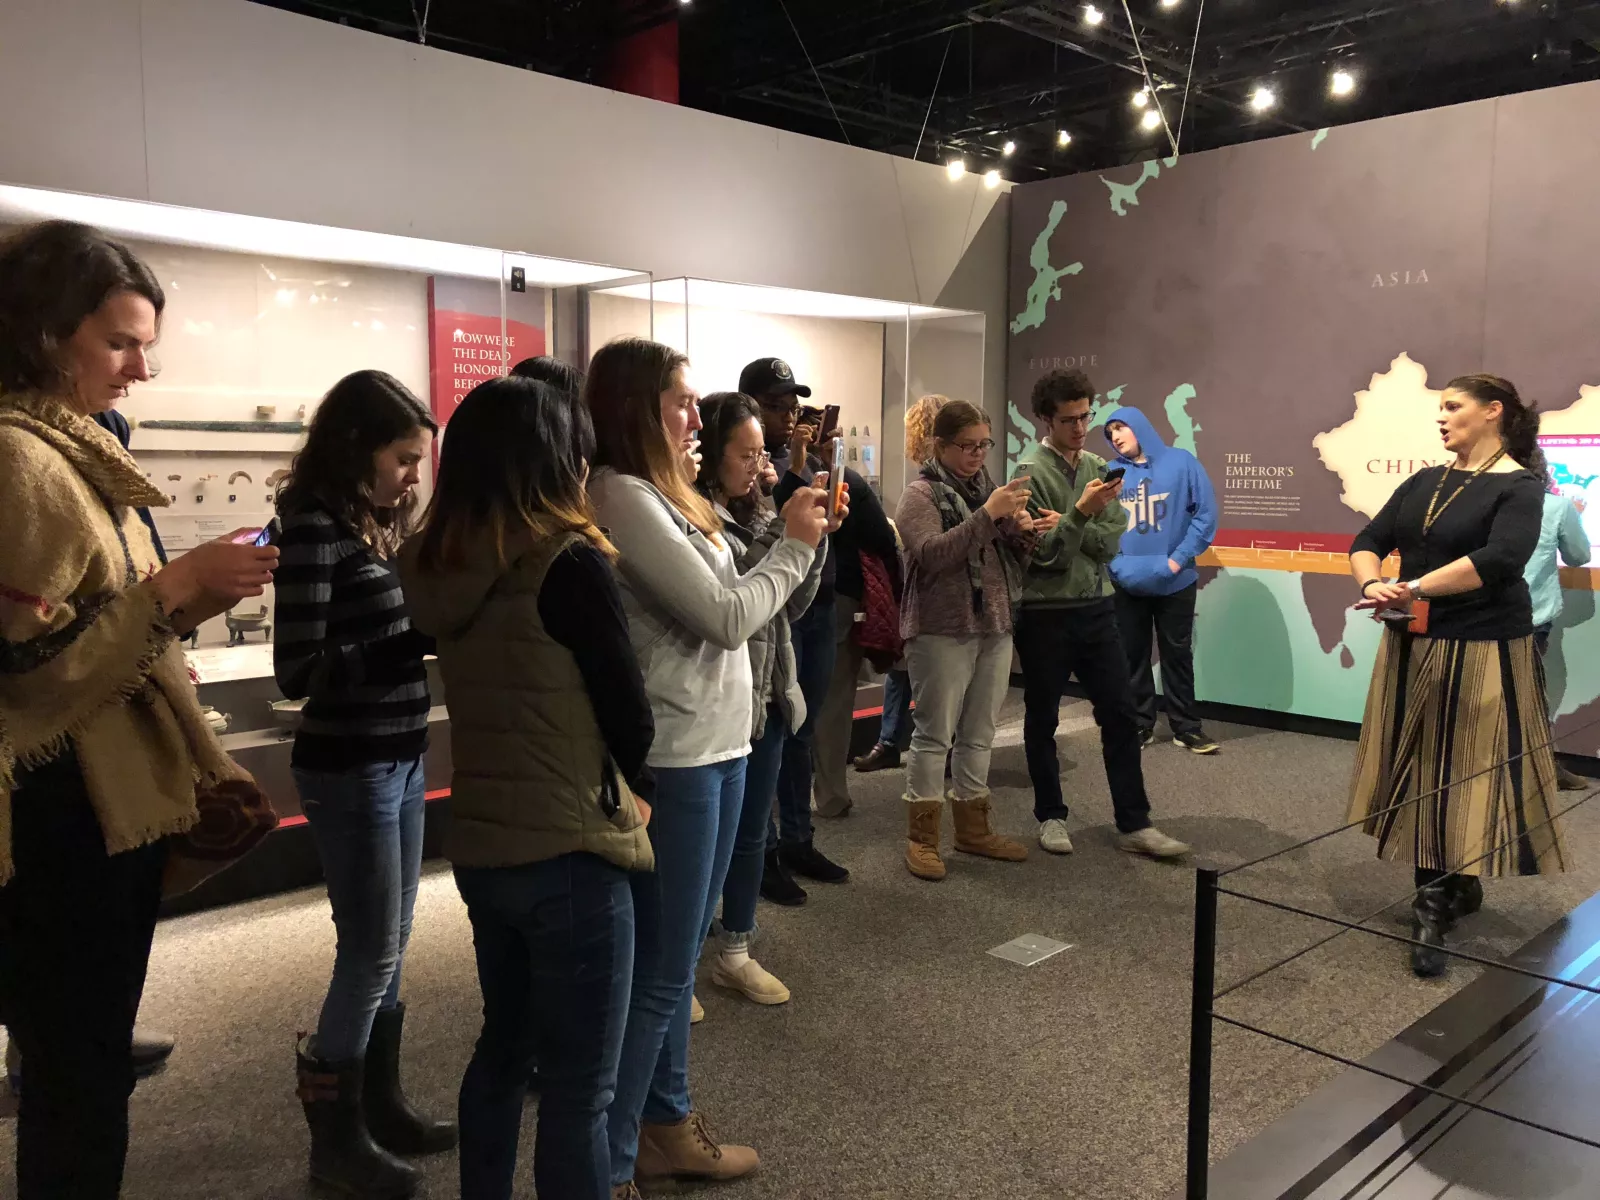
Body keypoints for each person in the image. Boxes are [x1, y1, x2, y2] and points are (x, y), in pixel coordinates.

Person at [0, 219, 278, 1198]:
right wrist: (172, 593)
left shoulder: (73, 456)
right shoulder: (24, 460)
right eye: (120, 342)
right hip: (58, 823)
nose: (139, 369)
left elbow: (86, 633)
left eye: (145, 345)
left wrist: (183, 600)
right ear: (44, 332)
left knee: (82, 1075)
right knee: (79, 1083)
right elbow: (31, 673)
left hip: (89, 816)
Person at [398, 375, 655, 1200]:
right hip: (572, 846)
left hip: (485, 843)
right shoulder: (568, 559)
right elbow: (630, 712)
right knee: (582, 1088)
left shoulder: (439, 563)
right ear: (558, 458)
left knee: (502, 1050)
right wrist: (637, 786)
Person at [587, 338, 828, 1196]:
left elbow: (759, 607)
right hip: (681, 753)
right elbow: (727, 617)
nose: (698, 415)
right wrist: (795, 547)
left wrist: (800, 542)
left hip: (722, 742)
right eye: (680, 402)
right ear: (634, 408)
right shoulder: (619, 494)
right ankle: (614, 1162)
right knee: (658, 973)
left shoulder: (670, 494)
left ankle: (666, 1123)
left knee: (676, 958)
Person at [273, 370, 455, 1198]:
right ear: (358, 448)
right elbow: (295, 670)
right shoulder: (314, 528)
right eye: (405, 458)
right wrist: (398, 644)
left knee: (391, 940)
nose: (413, 474)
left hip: (400, 755)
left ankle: (379, 1109)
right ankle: (335, 1142)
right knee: (372, 947)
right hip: (353, 767)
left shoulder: (370, 525)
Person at [1349, 374, 1567, 978]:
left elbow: (1499, 561)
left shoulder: (1520, 487)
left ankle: (1436, 898)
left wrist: (1412, 586)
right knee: (1421, 761)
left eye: (1452, 407)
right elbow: (1368, 538)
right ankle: (1449, 886)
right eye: (1439, 407)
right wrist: (1372, 582)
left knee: (1461, 765)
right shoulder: (1425, 481)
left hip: (1481, 645)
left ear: (1493, 412)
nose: (1440, 417)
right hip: (1412, 643)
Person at [1013, 369, 1191, 861]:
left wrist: (1074, 523)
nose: (1080, 426)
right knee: (1042, 717)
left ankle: (1134, 822)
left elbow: (1114, 541)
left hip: (1097, 606)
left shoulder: (1099, 466)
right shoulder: (1026, 473)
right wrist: (1082, 515)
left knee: (1119, 714)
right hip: (1046, 611)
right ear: (1045, 418)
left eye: (1085, 416)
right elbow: (1046, 556)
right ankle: (1051, 814)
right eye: (1068, 418)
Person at [696, 392, 833, 1006]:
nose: (759, 465)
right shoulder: (692, 519)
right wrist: (792, 531)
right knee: (703, 847)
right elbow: (740, 603)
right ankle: (681, 958)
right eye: (745, 454)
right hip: (719, 708)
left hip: (772, 695)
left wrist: (816, 534)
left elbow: (790, 607)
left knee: (752, 834)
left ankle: (736, 950)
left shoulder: (757, 512)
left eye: (761, 453)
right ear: (711, 455)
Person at [741, 357, 872, 897]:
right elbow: (768, 527)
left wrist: (827, 464)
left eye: (793, 406)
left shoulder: (808, 456)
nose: (789, 415)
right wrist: (794, 463)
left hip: (817, 600)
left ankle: (797, 836)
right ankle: (764, 849)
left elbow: (846, 516)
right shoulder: (746, 462)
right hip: (772, 608)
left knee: (802, 726)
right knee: (769, 732)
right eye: (776, 406)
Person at [896, 400, 1035, 881]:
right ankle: (923, 839)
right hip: (942, 628)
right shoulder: (920, 494)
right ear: (939, 445)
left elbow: (1005, 563)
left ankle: (974, 829)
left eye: (984, 444)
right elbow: (932, 555)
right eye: (967, 446)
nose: (978, 454)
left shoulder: (989, 491)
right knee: (935, 734)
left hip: (994, 623)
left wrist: (1023, 532)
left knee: (980, 732)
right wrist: (988, 517)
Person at [1102, 407, 1221, 754]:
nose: (1116, 437)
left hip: (1175, 581)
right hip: (1126, 582)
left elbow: (1205, 516)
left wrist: (1175, 561)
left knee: (1177, 655)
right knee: (1132, 656)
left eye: (1121, 428)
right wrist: (1115, 566)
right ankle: (1140, 725)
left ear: (1140, 426)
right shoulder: (1110, 473)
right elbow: (1099, 525)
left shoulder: (1182, 463)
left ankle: (1186, 728)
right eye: (1110, 433)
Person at [855, 394, 948, 774]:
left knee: (924, 673)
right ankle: (891, 741)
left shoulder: (936, 485)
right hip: (919, 586)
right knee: (901, 668)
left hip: (934, 590)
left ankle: (903, 742)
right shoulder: (927, 485)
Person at [1524, 486, 1591, 791]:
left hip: (1473, 613)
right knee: (1531, 695)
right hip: (1530, 616)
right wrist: (1572, 517)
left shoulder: (1473, 497)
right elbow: (1578, 555)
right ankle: (1540, 768)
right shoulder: (1555, 506)